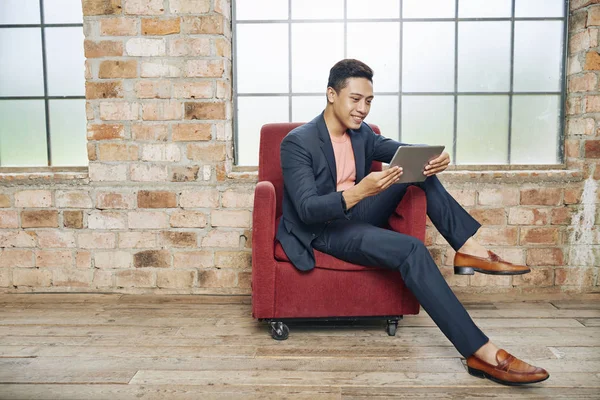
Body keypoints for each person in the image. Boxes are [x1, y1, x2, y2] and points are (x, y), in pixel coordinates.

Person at [276, 59, 549, 386]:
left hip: (358, 209)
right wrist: (358, 192)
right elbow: (307, 209)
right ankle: (480, 352)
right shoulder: (298, 141)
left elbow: (405, 151)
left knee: (416, 168)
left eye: (369, 101)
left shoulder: (363, 135)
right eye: (355, 99)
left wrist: (434, 158)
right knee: (411, 249)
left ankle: (468, 248)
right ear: (332, 94)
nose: (363, 108)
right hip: (325, 228)